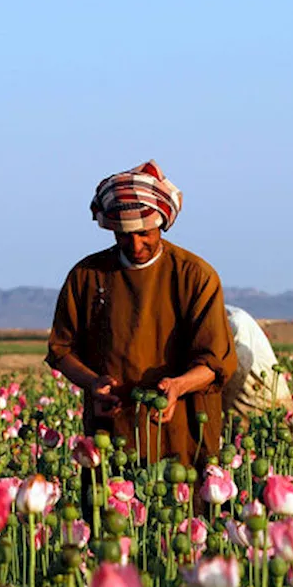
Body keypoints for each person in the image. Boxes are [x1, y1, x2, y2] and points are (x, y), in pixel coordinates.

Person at [47, 160, 238, 466]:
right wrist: (92, 383)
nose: (135, 244)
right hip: (111, 429)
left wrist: (178, 386)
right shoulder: (87, 275)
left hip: (183, 429)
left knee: (183, 508)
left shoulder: (195, 276)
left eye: (144, 233)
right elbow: (61, 350)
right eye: (124, 234)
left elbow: (217, 362)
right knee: (108, 508)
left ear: (161, 222)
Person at [223, 305, 293, 421]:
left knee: (272, 425)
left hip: (257, 387)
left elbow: (241, 366)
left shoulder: (236, 321)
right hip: (245, 388)